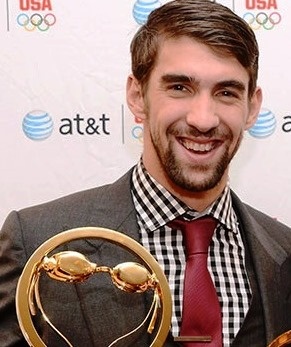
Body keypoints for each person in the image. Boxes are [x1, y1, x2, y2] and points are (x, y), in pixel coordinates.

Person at [1, 0, 291, 346]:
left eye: (226, 92)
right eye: (179, 87)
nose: (203, 118)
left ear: (252, 108)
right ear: (137, 96)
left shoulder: (284, 252)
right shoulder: (36, 242)